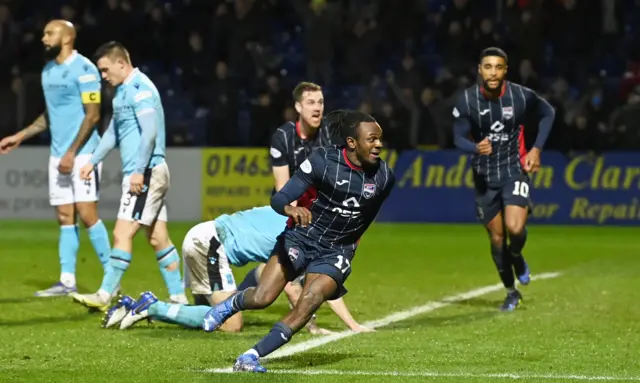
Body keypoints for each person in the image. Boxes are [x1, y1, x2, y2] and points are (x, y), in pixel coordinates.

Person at [204, 110, 395, 373]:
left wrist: (348, 246)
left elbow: (366, 217)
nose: (379, 145)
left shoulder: (384, 177)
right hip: (302, 237)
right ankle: (232, 303)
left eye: (380, 139)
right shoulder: (322, 161)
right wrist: (290, 210)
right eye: (372, 139)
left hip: (336, 250)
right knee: (263, 297)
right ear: (352, 142)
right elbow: (279, 199)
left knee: (310, 300)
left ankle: (250, 356)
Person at [102, 206, 371, 334]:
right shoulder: (303, 233)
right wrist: (316, 326)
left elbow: (268, 273)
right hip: (209, 246)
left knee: (251, 286)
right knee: (231, 323)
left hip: (204, 237)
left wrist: (351, 325)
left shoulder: (296, 214)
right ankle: (151, 307)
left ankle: (131, 307)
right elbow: (300, 287)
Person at [70, 41, 187, 312]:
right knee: (158, 238)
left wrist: (138, 171)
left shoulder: (140, 89)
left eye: (105, 69)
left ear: (121, 63)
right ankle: (179, 298)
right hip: (142, 172)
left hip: (145, 172)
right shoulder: (122, 92)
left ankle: (104, 295)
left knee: (122, 232)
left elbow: (150, 133)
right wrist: (92, 161)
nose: (103, 76)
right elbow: (112, 133)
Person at [0, 20, 111, 297]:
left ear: (68, 36)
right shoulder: (48, 71)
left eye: (50, 33)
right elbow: (51, 115)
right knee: (64, 215)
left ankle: (112, 278)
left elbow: (93, 115)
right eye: (43, 32)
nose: (43, 37)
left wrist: (72, 153)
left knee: (87, 215)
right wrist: (21, 136)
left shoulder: (85, 69)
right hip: (58, 155)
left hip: (83, 154)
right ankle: (67, 281)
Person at [452, 47, 555, 311]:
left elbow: (548, 114)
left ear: (505, 70)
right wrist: (475, 147)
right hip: (484, 176)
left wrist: (536, 149)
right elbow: (458, 137)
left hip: (513, 169)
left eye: (498, 67)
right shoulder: (467, 100)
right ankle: (511, 292)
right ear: (480, 69)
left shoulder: (520, 95)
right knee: (497, 238)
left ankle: (517, 256)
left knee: (516, 228)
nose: (493, 72)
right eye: (488, 67)